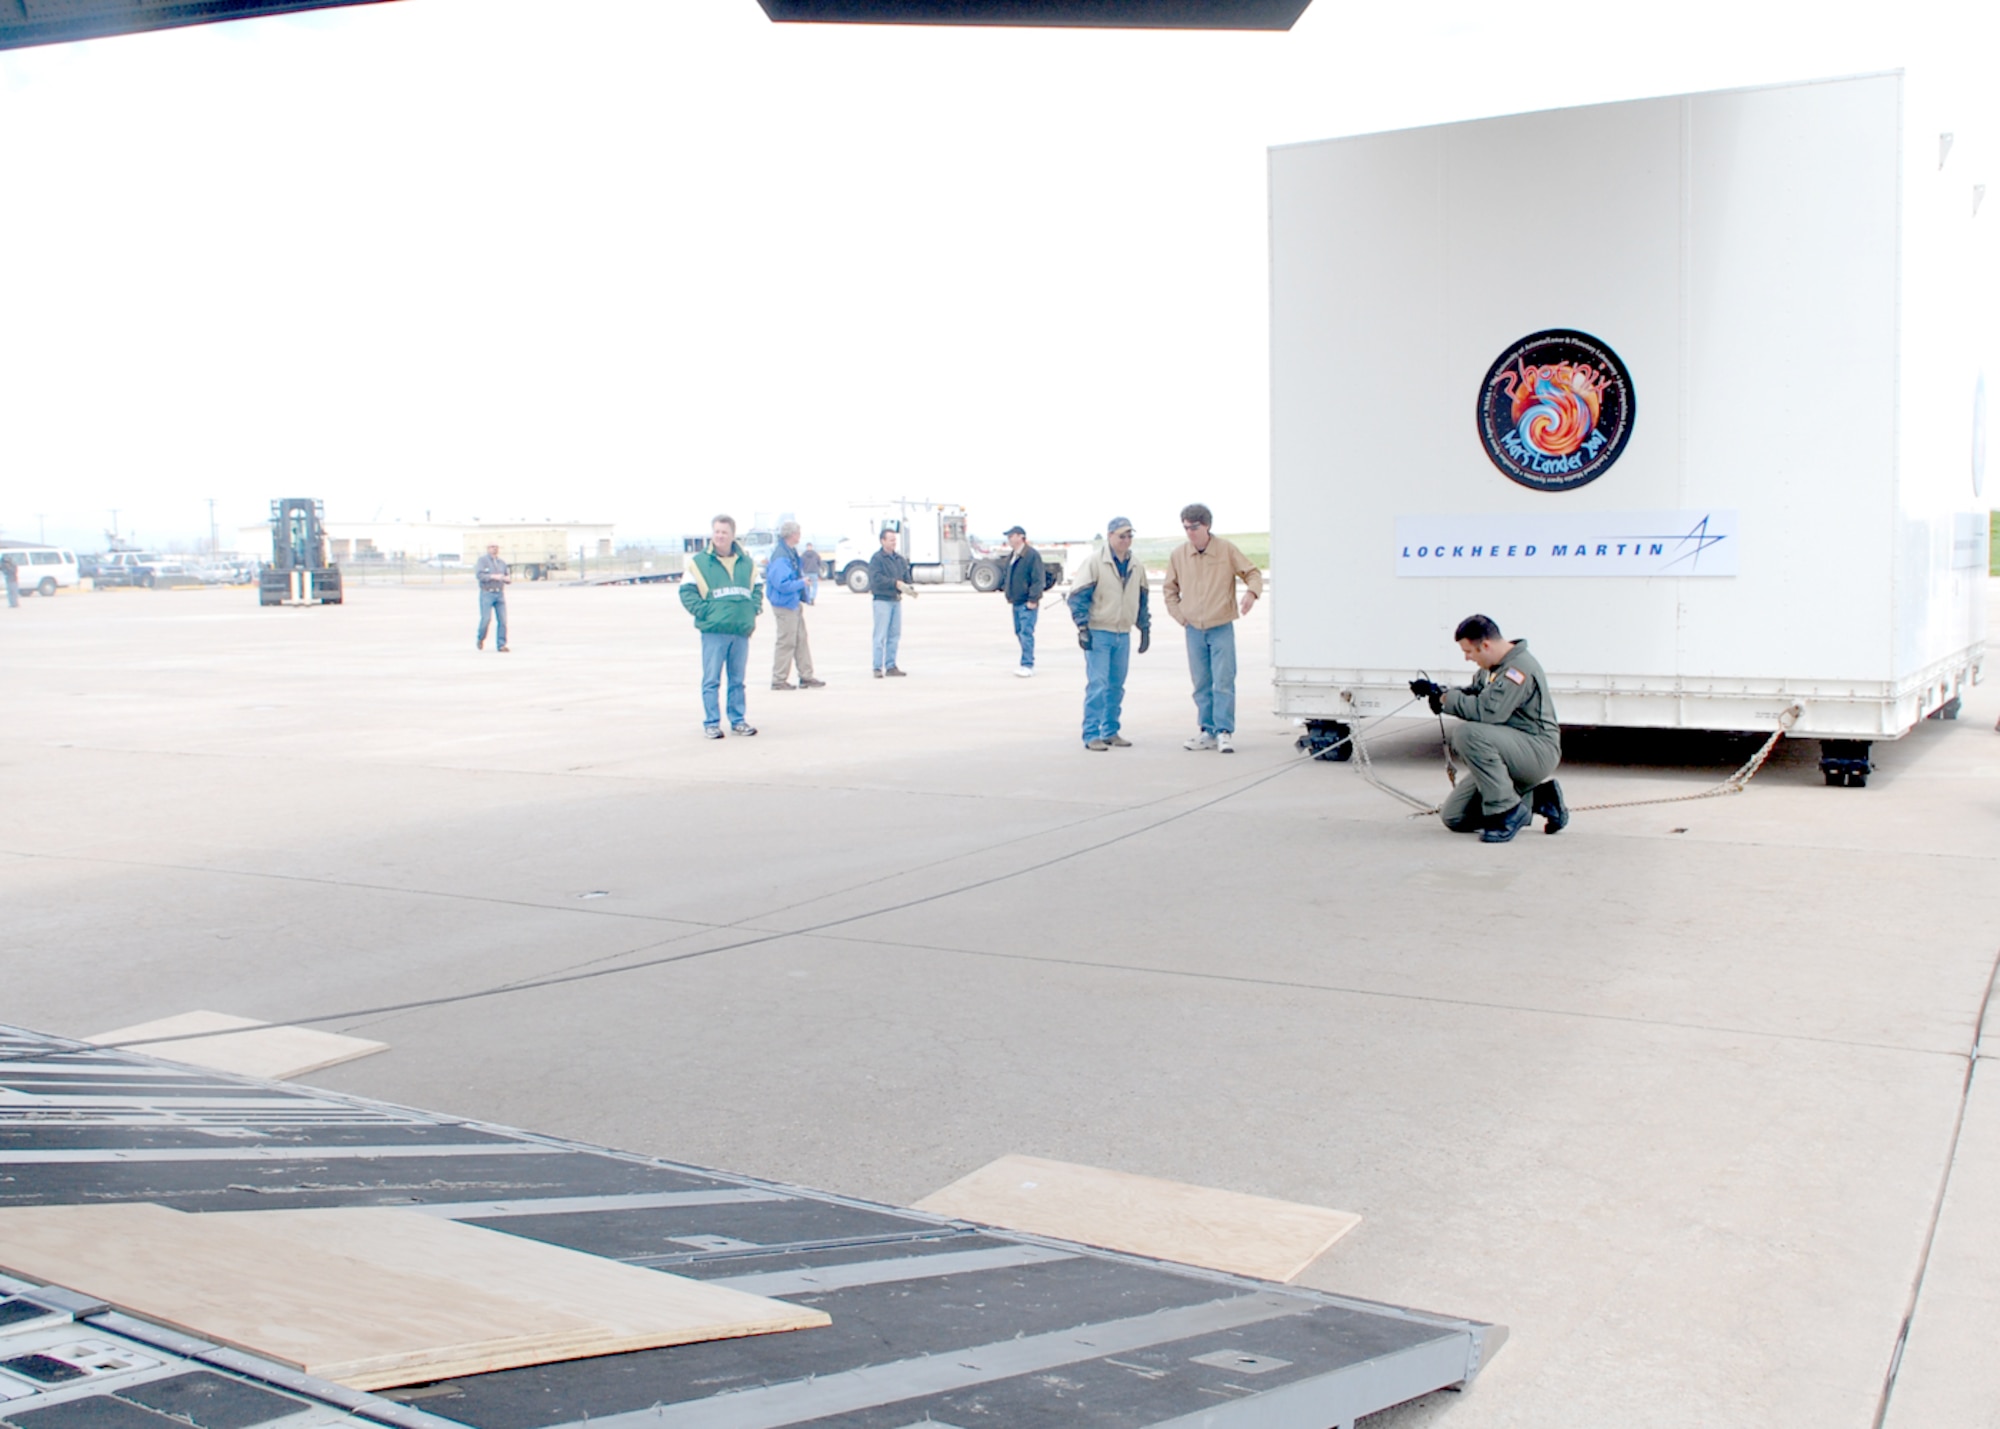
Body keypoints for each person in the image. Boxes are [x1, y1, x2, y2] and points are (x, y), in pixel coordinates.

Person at [1410, 614, 1567, 843]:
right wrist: (1439, 692)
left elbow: (1488, 712)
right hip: (1509, 749)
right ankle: (1540, 798)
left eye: (1469, 652)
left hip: (1537, 750)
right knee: (1455, 817)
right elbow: (1476, 693)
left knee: (1467, 734)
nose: (1466, 658)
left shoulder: (1518, 669)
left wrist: (1446, 699)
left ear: (1485, 645)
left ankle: (1506, 812)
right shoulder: (1492, 667)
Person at [1163, 503, 1263, 753]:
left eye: (1194, 527)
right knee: (1201, 682)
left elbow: (1252, 572)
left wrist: (1251, 593)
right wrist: (1180, 616)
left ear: (1206, 525)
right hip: (1193, 628)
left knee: (1224, 680)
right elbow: (1169, 590)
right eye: (1185, 527)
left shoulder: (1226, 550)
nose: (1190, 532)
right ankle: (1206, 730)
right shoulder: (1178, 555)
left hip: (1221, 626)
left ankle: (1224, 731)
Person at [1067, 517, 1151, 750]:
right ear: (1110, 536)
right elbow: (1078, 597)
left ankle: (1111, 730)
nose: (1126, 540)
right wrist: (1082, 627)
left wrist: (1144, 627)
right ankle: (1091, 733)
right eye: (1121, 535)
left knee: (1116, 685)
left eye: (1129, 536)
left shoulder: (1136, 565)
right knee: (1098, 684)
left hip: (1122, 633)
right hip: (1099, 632)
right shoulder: (1095, 563)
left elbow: (1142, 598)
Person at [680, 514, 763, 738]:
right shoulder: (699, 563)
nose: (719, 536)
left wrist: (753, 609)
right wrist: (705, 611)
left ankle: (738, 720)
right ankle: (711, 723)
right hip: (714, 631)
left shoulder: (746, 562)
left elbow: (757, 588)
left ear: (732, 535)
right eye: (716, 531)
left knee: (737, 680)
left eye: (724, 532)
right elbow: (686, 592)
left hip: (740, 630)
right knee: (711, 680)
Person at [766, 522, 824, 691]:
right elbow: (781, 584)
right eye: (798, 532)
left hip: (793, 603)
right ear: (792, 535)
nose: (800, 535)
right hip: (784, 605)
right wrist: (801, 583)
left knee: (801, 640)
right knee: (786, 641)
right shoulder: (781, 557)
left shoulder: (789, 552)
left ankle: (806, 675)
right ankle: (778, 679)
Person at [868, 528, 915, 677]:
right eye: (891, 539)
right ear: (882, 541)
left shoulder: (899, 559)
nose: (894, 542)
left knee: (894, 635)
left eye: (895, 539)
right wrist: (894, 583)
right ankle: (877, 667)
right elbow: (875, 579)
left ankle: (891, 665)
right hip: (882, 600)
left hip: (896, 600)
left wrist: (908, 587)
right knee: (880, 635)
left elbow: (906, 577)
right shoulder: (877, 559)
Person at [1000, 525, 1045, 677]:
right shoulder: (1013, 556)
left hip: (1027, 602)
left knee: (1026, 632)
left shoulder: (1031, 555)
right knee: (1019, 632)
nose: (1009, 539)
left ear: (1021, 537)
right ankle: (1026, 661)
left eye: (1012, 536)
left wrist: (1033, 598)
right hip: (1016, 601)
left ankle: (1027, 664)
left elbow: (1038, 579)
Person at [474, 543, 510, 652]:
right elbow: (479, 576)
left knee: (503, 620)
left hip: (499, 593)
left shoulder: (502, 563)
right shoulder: (482, 561)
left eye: (496, 547)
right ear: (487, 548)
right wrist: (493, 577)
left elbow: (506, 575)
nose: (494, 549)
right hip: (487, 593)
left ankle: (501, 644)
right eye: (491, 547)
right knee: (486, 619)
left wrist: (507, 579)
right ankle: (481, 638)